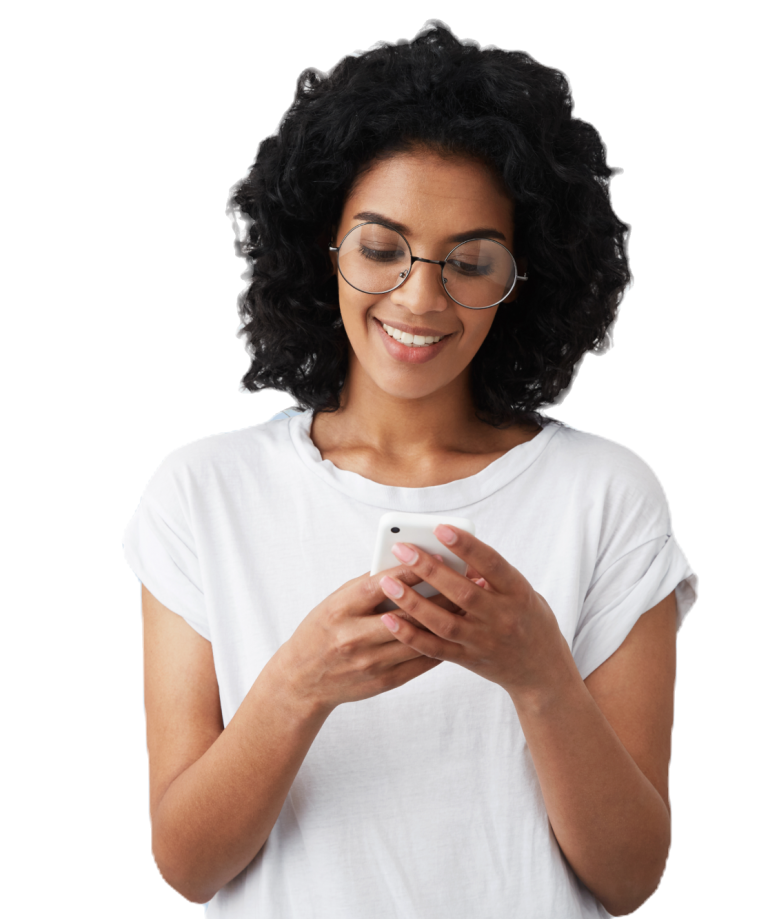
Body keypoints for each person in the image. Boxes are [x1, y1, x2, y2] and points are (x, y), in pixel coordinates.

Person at [125, 19, 699, 918]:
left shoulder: (607, 495)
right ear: (324, 247)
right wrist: (300, 682)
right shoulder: (204, 493)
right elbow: (189, 864)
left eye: (471, 261)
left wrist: (538, 671)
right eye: (382, 249)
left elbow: (630, 878)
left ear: (526, 277)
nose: (422, 298)